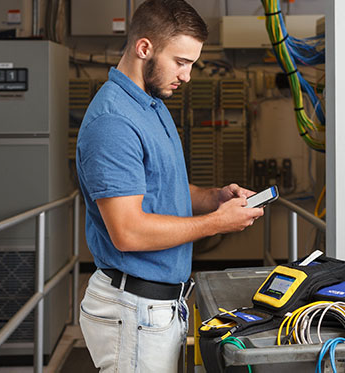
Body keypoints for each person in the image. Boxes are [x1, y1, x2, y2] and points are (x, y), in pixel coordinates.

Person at [76, 0, 264, 371]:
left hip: (158, 306)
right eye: (181, 62)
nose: (188, 75)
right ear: (144, 48)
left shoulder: (150, 104)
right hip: (132, 309)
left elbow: (163, 190)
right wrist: (217, 223)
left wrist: (214, 199)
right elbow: (127, 231)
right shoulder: (113, 122)